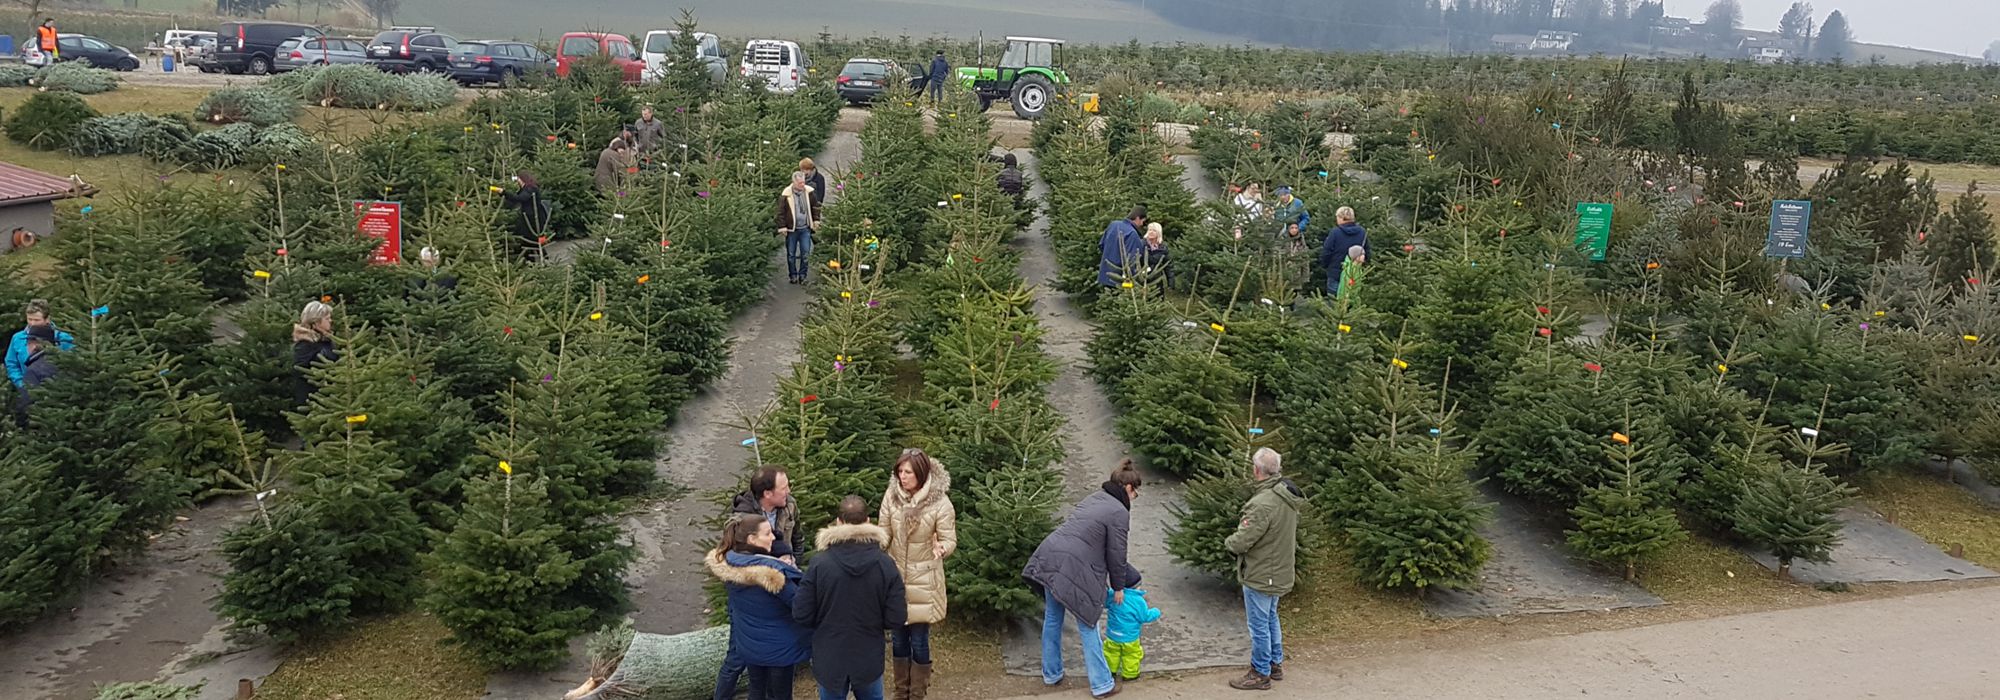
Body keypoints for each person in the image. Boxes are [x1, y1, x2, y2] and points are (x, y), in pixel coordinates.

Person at [1022, 461, 1144, 699]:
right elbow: (1116, 553)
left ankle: (1051, 674)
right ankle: (1101, 685)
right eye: (1136, 491)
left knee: (1053, 618)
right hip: (1075, 568)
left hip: (1050, 556)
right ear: (1128, 487)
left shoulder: (1094, 498)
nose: (1136, 496)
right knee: (1089, 624)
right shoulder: (1119, 511)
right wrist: (1119, 587)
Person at [794, 495, 905, 700]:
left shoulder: (819, 564)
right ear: (868, 521)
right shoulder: (885, 564)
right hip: (868, 655)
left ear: (838, 522)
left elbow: (801, 613)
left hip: (829, 655)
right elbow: (896, 618)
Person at [878, 449, 957, 700]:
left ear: (921, 473)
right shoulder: (891, 498)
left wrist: (942, 548)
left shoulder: (940, 503)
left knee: (920, 640)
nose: (902, 477)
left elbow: (949, 538)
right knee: (898, 640)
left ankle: (918, 694)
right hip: (896, 578)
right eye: (899, 471)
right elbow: (883, 532)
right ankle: (901, 692)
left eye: (908, 472)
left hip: (924, 580)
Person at [707, 515, 813, 700]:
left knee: (757, 691)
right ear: (752, 539)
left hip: (750, 645)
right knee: (779, 695)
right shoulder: (774, 575)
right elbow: (802, 606)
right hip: (779, 650)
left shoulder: (730, 564)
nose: (773, 537)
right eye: (767, 533)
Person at [1224, 448, 1302, 691]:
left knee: (1258, 624)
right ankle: (1275, 663)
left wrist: (1229, 544)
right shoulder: (1286, 496)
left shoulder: (1263, 503)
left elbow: (1243, 539)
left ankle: (1260, 672)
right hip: (1279, 571)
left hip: (1261, 574)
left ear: (1256, 470)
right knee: (1271, 617)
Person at [1102, 584, 1163, 684]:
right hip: (1130, 638)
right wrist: (1156, 612)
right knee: (1131, 655)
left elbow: (1104, 602)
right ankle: (1130, 675)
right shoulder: (1138, 601)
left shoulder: (1115, 595)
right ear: (1136, 587)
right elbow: (1144, 617)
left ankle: (1110, 671)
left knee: (1110, 653)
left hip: (1113, 635)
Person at [7, 299, 73, 388]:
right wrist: (21, 384)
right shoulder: (18, 338)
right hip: (28, 390)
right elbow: (11, 363)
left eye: (37, 320)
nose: (32, 323)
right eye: (29, 319)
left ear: (47, 319)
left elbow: (72, 364)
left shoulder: (63, 338)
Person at [777, 171, 822, 285]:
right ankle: (793, 275)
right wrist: (782, 227)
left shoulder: (809, 192)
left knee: (805, 253)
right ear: (794, 182)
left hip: (805, 228)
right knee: (791, 254)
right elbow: (780, 212)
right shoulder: (786, 195)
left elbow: (815, 207)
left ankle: (803, 275)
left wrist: (816, 220)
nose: (802, 185)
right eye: (800, 183)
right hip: (792, 230)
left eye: (803, 182)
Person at [11, 324, 59, 428]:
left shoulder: (33, 370)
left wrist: (20, 427)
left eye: (28, 343)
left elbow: (25, 403)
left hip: (43, 429)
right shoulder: (67, 362)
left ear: (34, 345)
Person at [291, 301, 337, 406]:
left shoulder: (327, 341)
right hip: (312, 400)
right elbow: (301, 370)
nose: (330, 321)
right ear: (315, 322)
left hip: (330, 397)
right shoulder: (305, 344)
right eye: (327, 318)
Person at [1318, 206, 1369, 295]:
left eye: (1337, 217)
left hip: (1336, 273)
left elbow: (1327, 251)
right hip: (1354, 273)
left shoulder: (1335, 232)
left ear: (1342, 218)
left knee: (1334, 302)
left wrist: (1325, 265)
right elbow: (1367, 251)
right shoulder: (1362, 232)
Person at [500, 170, 550, 259]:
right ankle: (532, 259)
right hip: (528, 218)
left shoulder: (531, 189)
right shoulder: (525, 189)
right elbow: (515, 198)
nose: (517, 181)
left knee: (532, 239)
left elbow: (520, 198)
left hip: (533, 219)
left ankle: (542, 259)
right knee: (529, 240)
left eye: (518, 179)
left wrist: (504, 192)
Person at [1097, 206, 1147, 288]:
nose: (1142, 225)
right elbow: (1132, 260)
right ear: (1138, 218)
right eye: (1143, 221)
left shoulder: (1113, 225)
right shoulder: (1132, 233)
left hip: (1105, 274)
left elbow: (1101, 245)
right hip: (1120, 279)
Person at [1141, 222, 1170, 287]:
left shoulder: (1163, 247)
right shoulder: (1141, 244)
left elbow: (1168, 265)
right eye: (1150, 230)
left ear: (1158, 233)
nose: (1151, 232)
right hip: (1142, 279)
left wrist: (1171, 283)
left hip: (1157, 279)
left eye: (1154, 230)